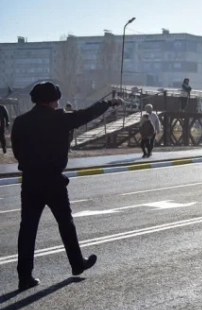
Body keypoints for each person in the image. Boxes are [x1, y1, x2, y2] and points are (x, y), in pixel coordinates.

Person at [12, 82, 123, 291]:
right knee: (65, 223)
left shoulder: (20, 121)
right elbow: (87, 114)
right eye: (56, 99)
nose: (58, 102)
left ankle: (24, 276)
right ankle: (77, 263)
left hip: (30, 181)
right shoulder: (60, 118)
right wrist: (109, 103)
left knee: (27, 228)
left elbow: (17, 152)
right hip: (53, 180)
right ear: (51, 100)